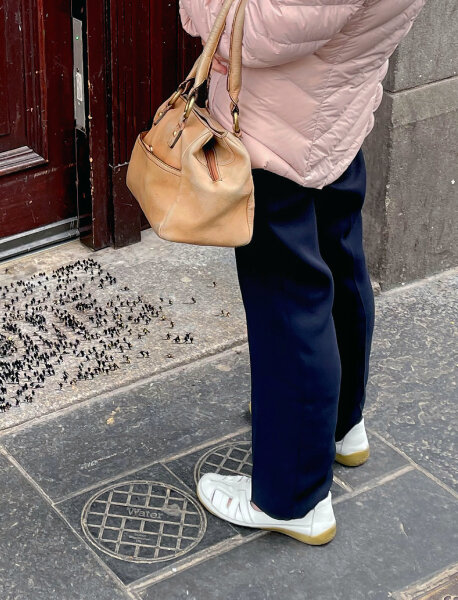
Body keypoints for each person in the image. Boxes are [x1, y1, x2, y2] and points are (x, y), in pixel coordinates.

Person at [177, 0, 425, 544]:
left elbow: (264, 28)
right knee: (338, 264)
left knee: (288, 301)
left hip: (280, 131)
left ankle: (294, 498)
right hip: (332, 111)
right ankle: (339, 425)